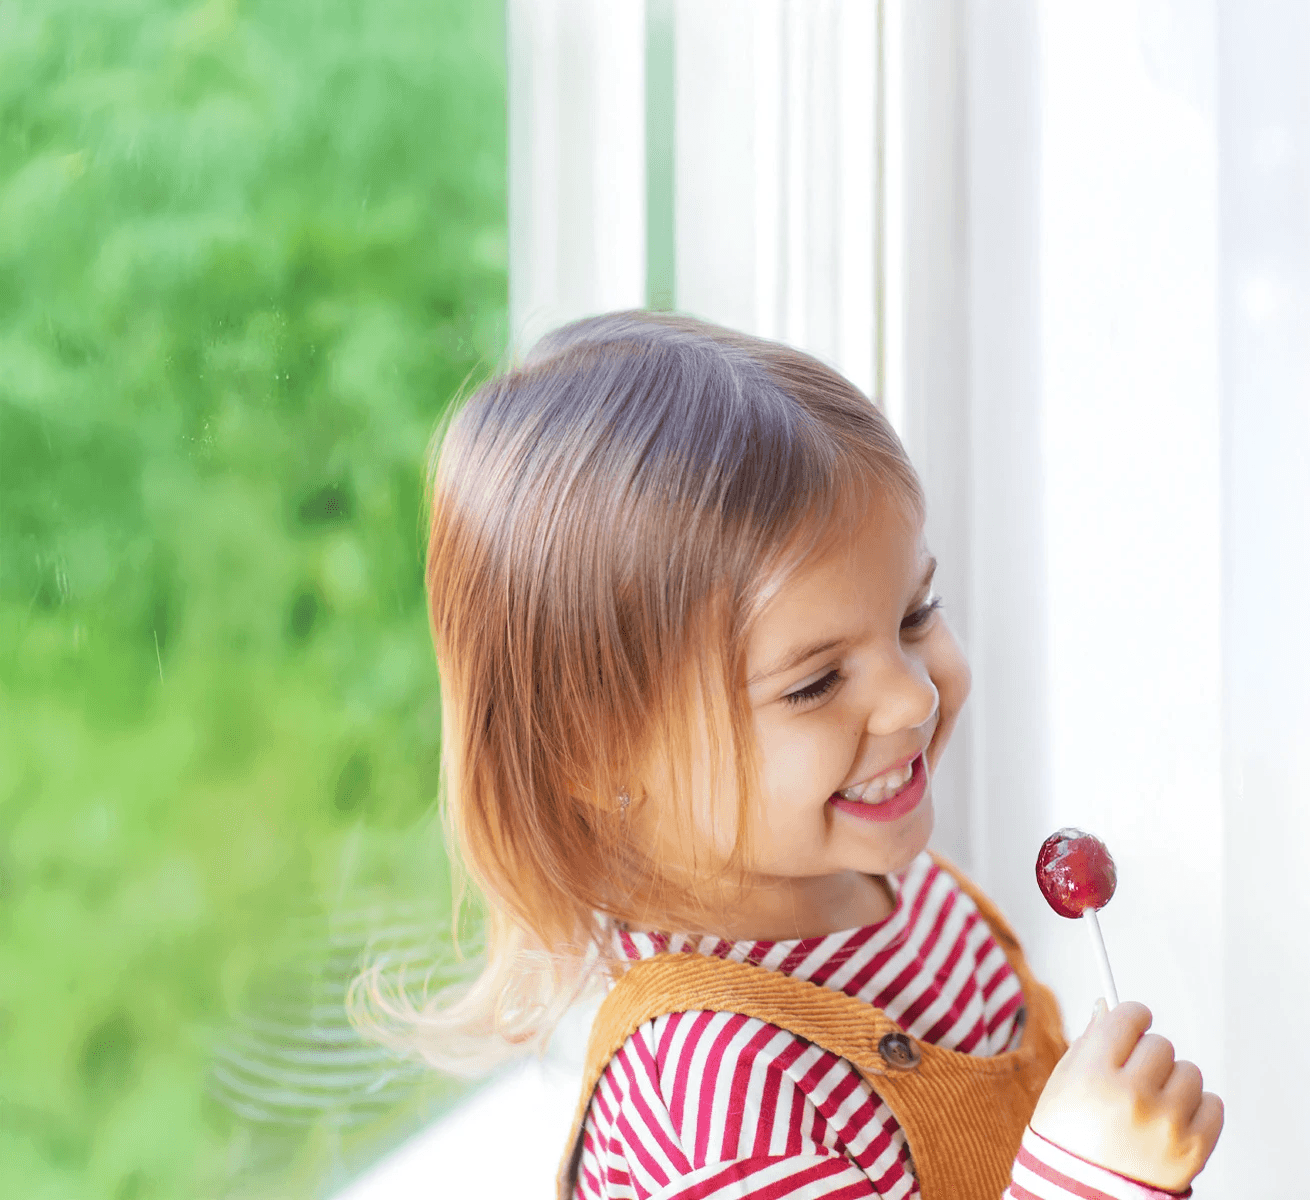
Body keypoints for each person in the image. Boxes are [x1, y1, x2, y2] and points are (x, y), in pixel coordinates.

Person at [385, 311, 1223, 1198]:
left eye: (914, 617)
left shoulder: (894, 892)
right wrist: (1091, 1180)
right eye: (816, 683)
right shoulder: (712, 1100)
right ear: (597, 756)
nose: (914, 696)